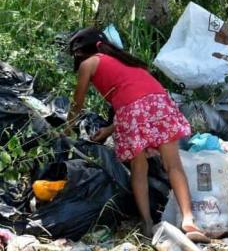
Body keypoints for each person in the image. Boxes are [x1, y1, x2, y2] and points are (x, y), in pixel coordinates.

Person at [66, 27, 202, 239]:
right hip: (160, 103)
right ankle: (188, 219)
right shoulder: (128, 61)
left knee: (139, 169)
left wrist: (66, 129)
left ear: (81, 53)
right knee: (173, 165)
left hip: (131, 112)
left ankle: (147, 223)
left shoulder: (88, 64)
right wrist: (109, 129)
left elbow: (78, 103)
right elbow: (138, 97)